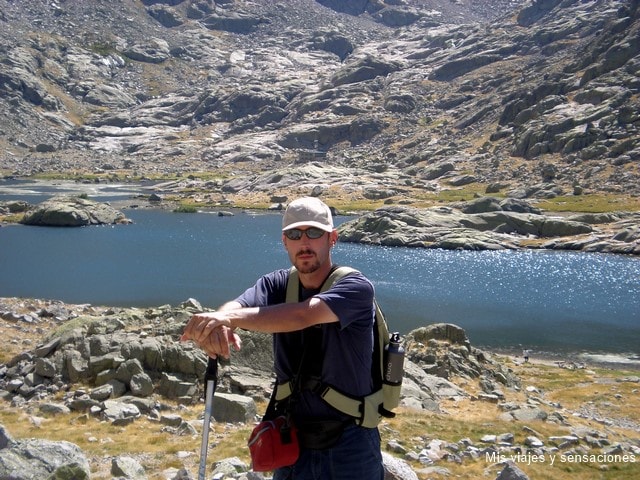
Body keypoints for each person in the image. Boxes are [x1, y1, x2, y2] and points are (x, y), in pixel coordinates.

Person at [181, 196, 384, 480]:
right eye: (294, 234)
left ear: (332, 238)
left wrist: (227, 320)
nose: (304, 243)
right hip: (292, 440)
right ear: (284, 241)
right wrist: (220, 326)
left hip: (349, 446)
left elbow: (303, 315)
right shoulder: (276, 283)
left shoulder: (356, 287)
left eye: (314, 233)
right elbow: (237, 306)